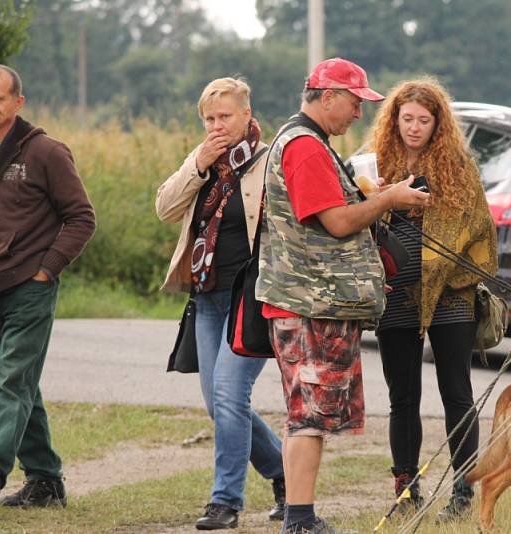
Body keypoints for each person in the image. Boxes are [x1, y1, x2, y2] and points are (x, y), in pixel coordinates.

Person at [256, 58, 430, 534]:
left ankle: (298, 514)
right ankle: (300, 519)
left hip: (307, 301)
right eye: (355, 102)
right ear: (327, 96)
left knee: (303, 416)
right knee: (309, 417)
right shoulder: (307, 148)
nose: (359, 114)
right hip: (311, 305)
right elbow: (336, 222)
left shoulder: (308, 143)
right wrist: (389, 200)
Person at [156, 77, 285, 530]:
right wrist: (197, 163)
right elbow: (165, 208)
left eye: (225, 117)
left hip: (251, 299)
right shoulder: (204, 161)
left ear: (247, 115)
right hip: (207, 296)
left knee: (231, 395)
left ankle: (225, 502)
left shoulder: (271, 161)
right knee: (219, 404)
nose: (216, 126)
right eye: (209, 119)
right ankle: (284, 471)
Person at [369, 78, 498, 522]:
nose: (415, 127)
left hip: (451, 295)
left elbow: (479, 228)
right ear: (395, 119)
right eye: (407, 119)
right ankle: (406, 489)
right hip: (396, 292)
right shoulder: (377, 162)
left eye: (424, 120)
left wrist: (439, 267)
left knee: (456, 392)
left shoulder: (457, 166)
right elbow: (360, 221)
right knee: (402, 396)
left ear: (438, 122)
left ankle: (464, 490)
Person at [0, 64, 96, 514]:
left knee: (12, 380)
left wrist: (47, 269)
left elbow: (82, 218)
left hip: (29, 287)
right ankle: (46, 479)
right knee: (10, 383)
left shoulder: (45, 152)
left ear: (17, 103)